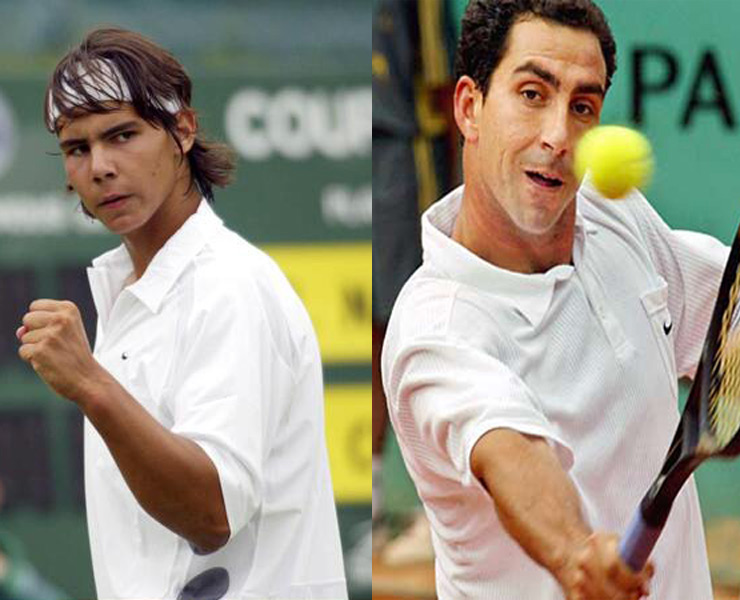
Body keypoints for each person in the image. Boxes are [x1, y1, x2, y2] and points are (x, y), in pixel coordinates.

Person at [381, 0, 725, 598]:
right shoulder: (435, 327)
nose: (558, 136)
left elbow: (720, 313)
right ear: (469, 107)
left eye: (582, 106)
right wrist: (574, 551)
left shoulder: (611, 213)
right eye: (532, 94)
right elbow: (509, 451)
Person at [16, 27, 347, 600]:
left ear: (183, 131)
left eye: (122, 135)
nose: (100, 166)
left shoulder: (228, 286)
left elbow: (211, 513)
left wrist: (90, 384)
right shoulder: (136, 292)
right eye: (77, 149)